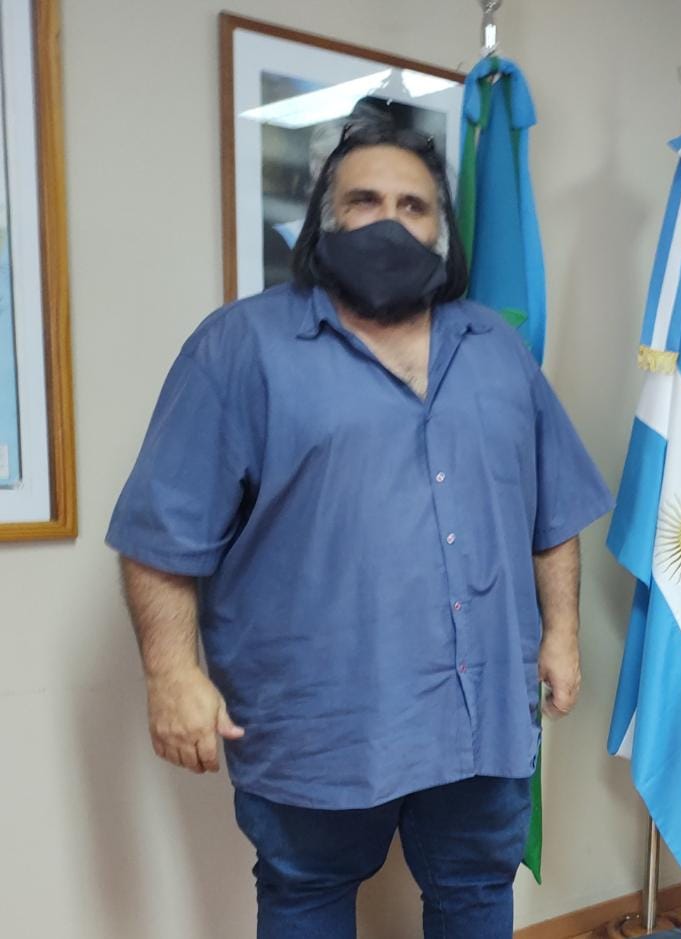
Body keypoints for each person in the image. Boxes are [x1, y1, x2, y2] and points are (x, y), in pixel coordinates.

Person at [107, 119, 612, 938]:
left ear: (440, 230)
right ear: (324, 217)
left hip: (481, 714)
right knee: (304, 897)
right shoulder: (240, 347)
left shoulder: (496, 348)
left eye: (413, 206)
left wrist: (562, 633)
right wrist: (170, 671)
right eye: (364, 200)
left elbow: (552, 509)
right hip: (319, 723)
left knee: (476, 893)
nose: (389, 221)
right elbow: (160, 531)